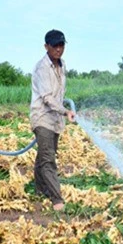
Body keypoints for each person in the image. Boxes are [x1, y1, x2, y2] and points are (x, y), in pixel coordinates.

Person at [30, 29, 76, 211]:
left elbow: (59, 93)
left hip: (55, 119)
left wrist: (63, 112)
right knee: (48, 159)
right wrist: (66, 112)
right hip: (42, 117)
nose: (58, 49)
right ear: (46, 46)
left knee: (44, 154)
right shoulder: (42, 67)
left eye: (61, 45)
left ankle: (40, 190)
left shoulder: (62, 64)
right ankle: (57, 199)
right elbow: (48, 98)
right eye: (55, 45)